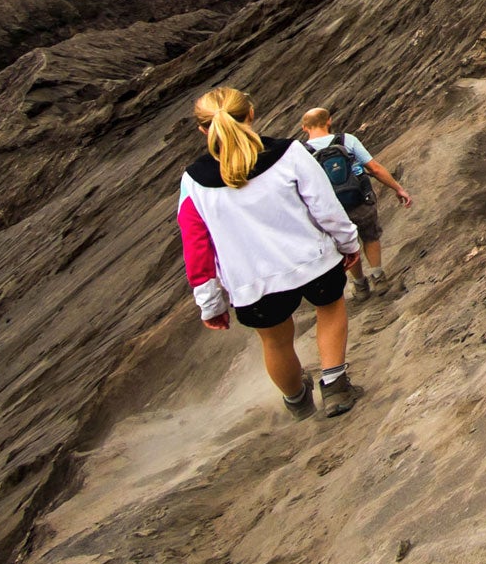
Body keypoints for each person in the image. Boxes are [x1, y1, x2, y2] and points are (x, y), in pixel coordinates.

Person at [177, 87, 364, 419]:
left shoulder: (194, 181)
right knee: (330, 310)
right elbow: (325, 207)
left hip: (252, 282)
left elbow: (196, 246)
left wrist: (211, 303)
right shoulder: (289, 153)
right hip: (312, 260)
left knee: (275, 342)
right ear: (251, 115)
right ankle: (335, 386)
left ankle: (296, 399)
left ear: (203, 129)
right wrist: (348, 243)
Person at [298, 107, 413, 298]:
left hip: (330, 208)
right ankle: (378, 276)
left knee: (347, 245)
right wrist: (398, 188)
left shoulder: (302, 152)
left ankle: (360, 285)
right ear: (329, 121)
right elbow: (374, 168)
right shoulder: (346, 140)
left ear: (304, 128)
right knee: (370, 235)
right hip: (360, 199)